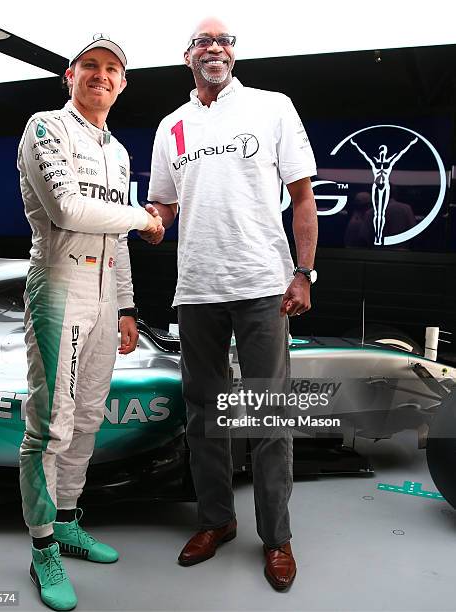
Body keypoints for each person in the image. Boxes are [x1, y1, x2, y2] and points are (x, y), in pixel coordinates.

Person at [143, 17, 318, 592]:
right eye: (203, 41)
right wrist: (147, 224)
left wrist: (303, 271)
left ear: (233, 54)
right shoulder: (172, 126)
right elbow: (164, 206)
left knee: (268, 414)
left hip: (263, 283)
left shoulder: (272, 107)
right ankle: (216, 520)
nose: (213, 48)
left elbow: (302, 196)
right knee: (203, 414)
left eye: (223, 41)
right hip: (197, 288)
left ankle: (277, 536)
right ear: (187, 55)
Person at [17, 35, 161, 611]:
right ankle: (42, 543)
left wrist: (127, 306)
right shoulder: (45, 127)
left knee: (88, 418)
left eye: (112, 70)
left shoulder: (119, 152)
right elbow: (69, 210)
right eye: (91, 66)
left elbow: (116, 238)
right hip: (58, 284)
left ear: (122, 85)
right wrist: (144, 218)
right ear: (70, 76)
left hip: (104, 296)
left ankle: (70, 520)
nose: (101, 75)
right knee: (50, 423)